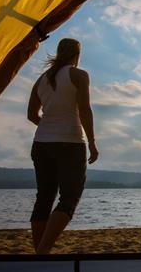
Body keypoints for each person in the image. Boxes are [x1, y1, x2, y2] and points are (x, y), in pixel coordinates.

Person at [27, 38, 98, 254]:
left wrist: (48, 126)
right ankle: (42, 251)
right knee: (69, 197)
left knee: (44, 197)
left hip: (41, 144)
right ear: (77, 54)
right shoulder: (79, 75)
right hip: (70, 142)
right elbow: (85, 110)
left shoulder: (41, 79)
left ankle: (40, 252)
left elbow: (31, 115)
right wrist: (92, 143)